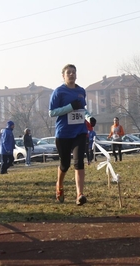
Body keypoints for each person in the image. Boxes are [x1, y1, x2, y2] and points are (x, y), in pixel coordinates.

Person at [49, 64, 96, 206]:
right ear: (63, 76)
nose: (71, 74)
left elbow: (82, 110)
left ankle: (79, 194)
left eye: (73, 72)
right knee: (65, 164)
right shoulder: (58, 92)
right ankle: (59, 185)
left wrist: (89, 118)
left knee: (79, 162)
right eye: (68, 72)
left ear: (76, 75)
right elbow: (52, 112)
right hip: (63, 133)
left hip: (79, 132)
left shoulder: (81, 91)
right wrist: (70, 107)